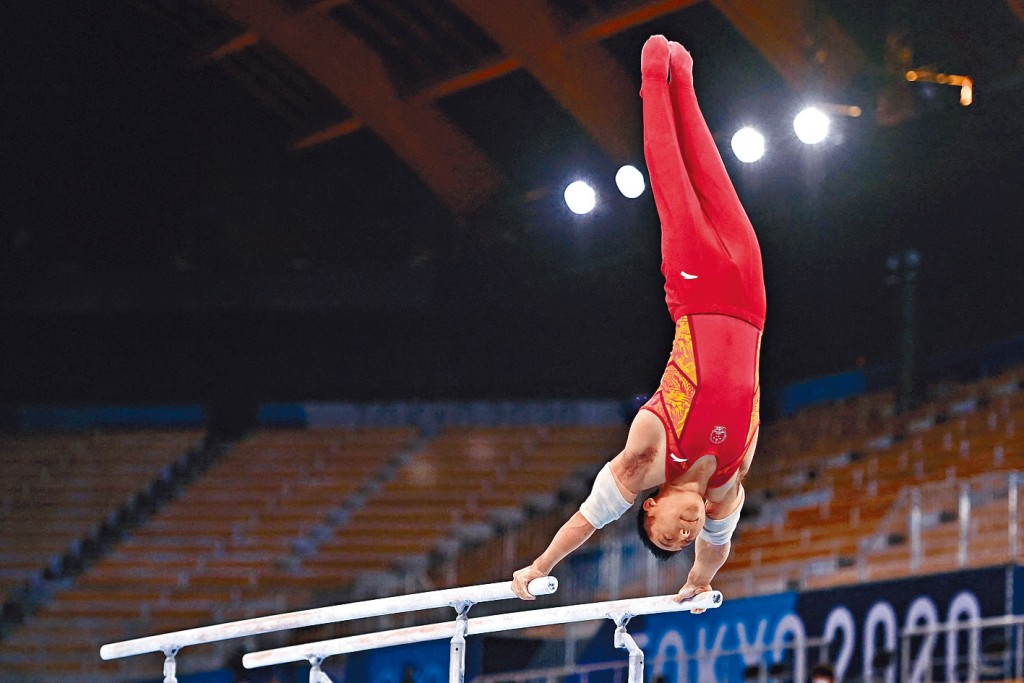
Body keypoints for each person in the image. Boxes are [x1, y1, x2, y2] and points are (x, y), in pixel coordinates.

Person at [511, 35, 766, 606]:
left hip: (697, 294)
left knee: (675, 184)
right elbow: (718, 548)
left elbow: (591, 516)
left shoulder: (650, 454)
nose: (687, 529)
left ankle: (656, 78)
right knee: (713, 173)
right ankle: (688, 84)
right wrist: (698, 579)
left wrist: (539, 565)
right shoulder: (728, 487)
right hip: (751, 302)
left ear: (649, 504)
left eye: (671, 530)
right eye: (687, 536)